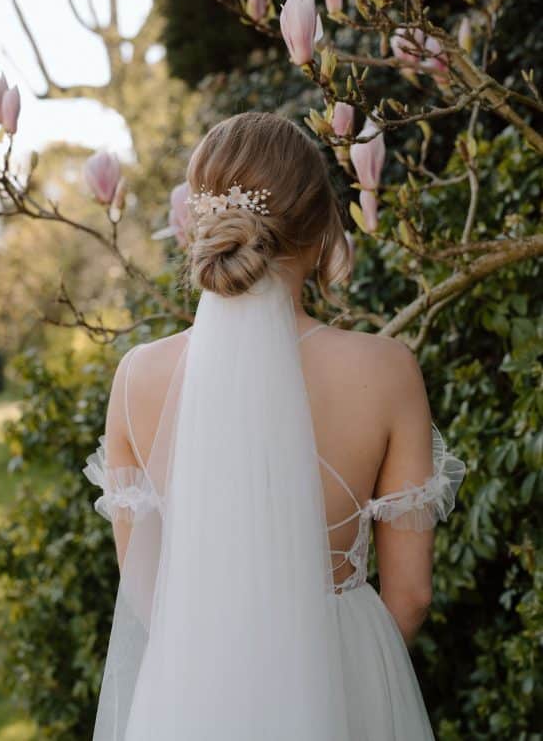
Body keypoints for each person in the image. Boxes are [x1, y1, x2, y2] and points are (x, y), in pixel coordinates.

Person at [83, 110, 466, 740]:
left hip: (193, 695)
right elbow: (413, 594)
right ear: (322, 231)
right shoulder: (387, 370)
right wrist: (341, 680)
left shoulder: (137, 377)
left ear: (197, 228)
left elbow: (147, 590)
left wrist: (221, 672)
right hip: (346, 684)